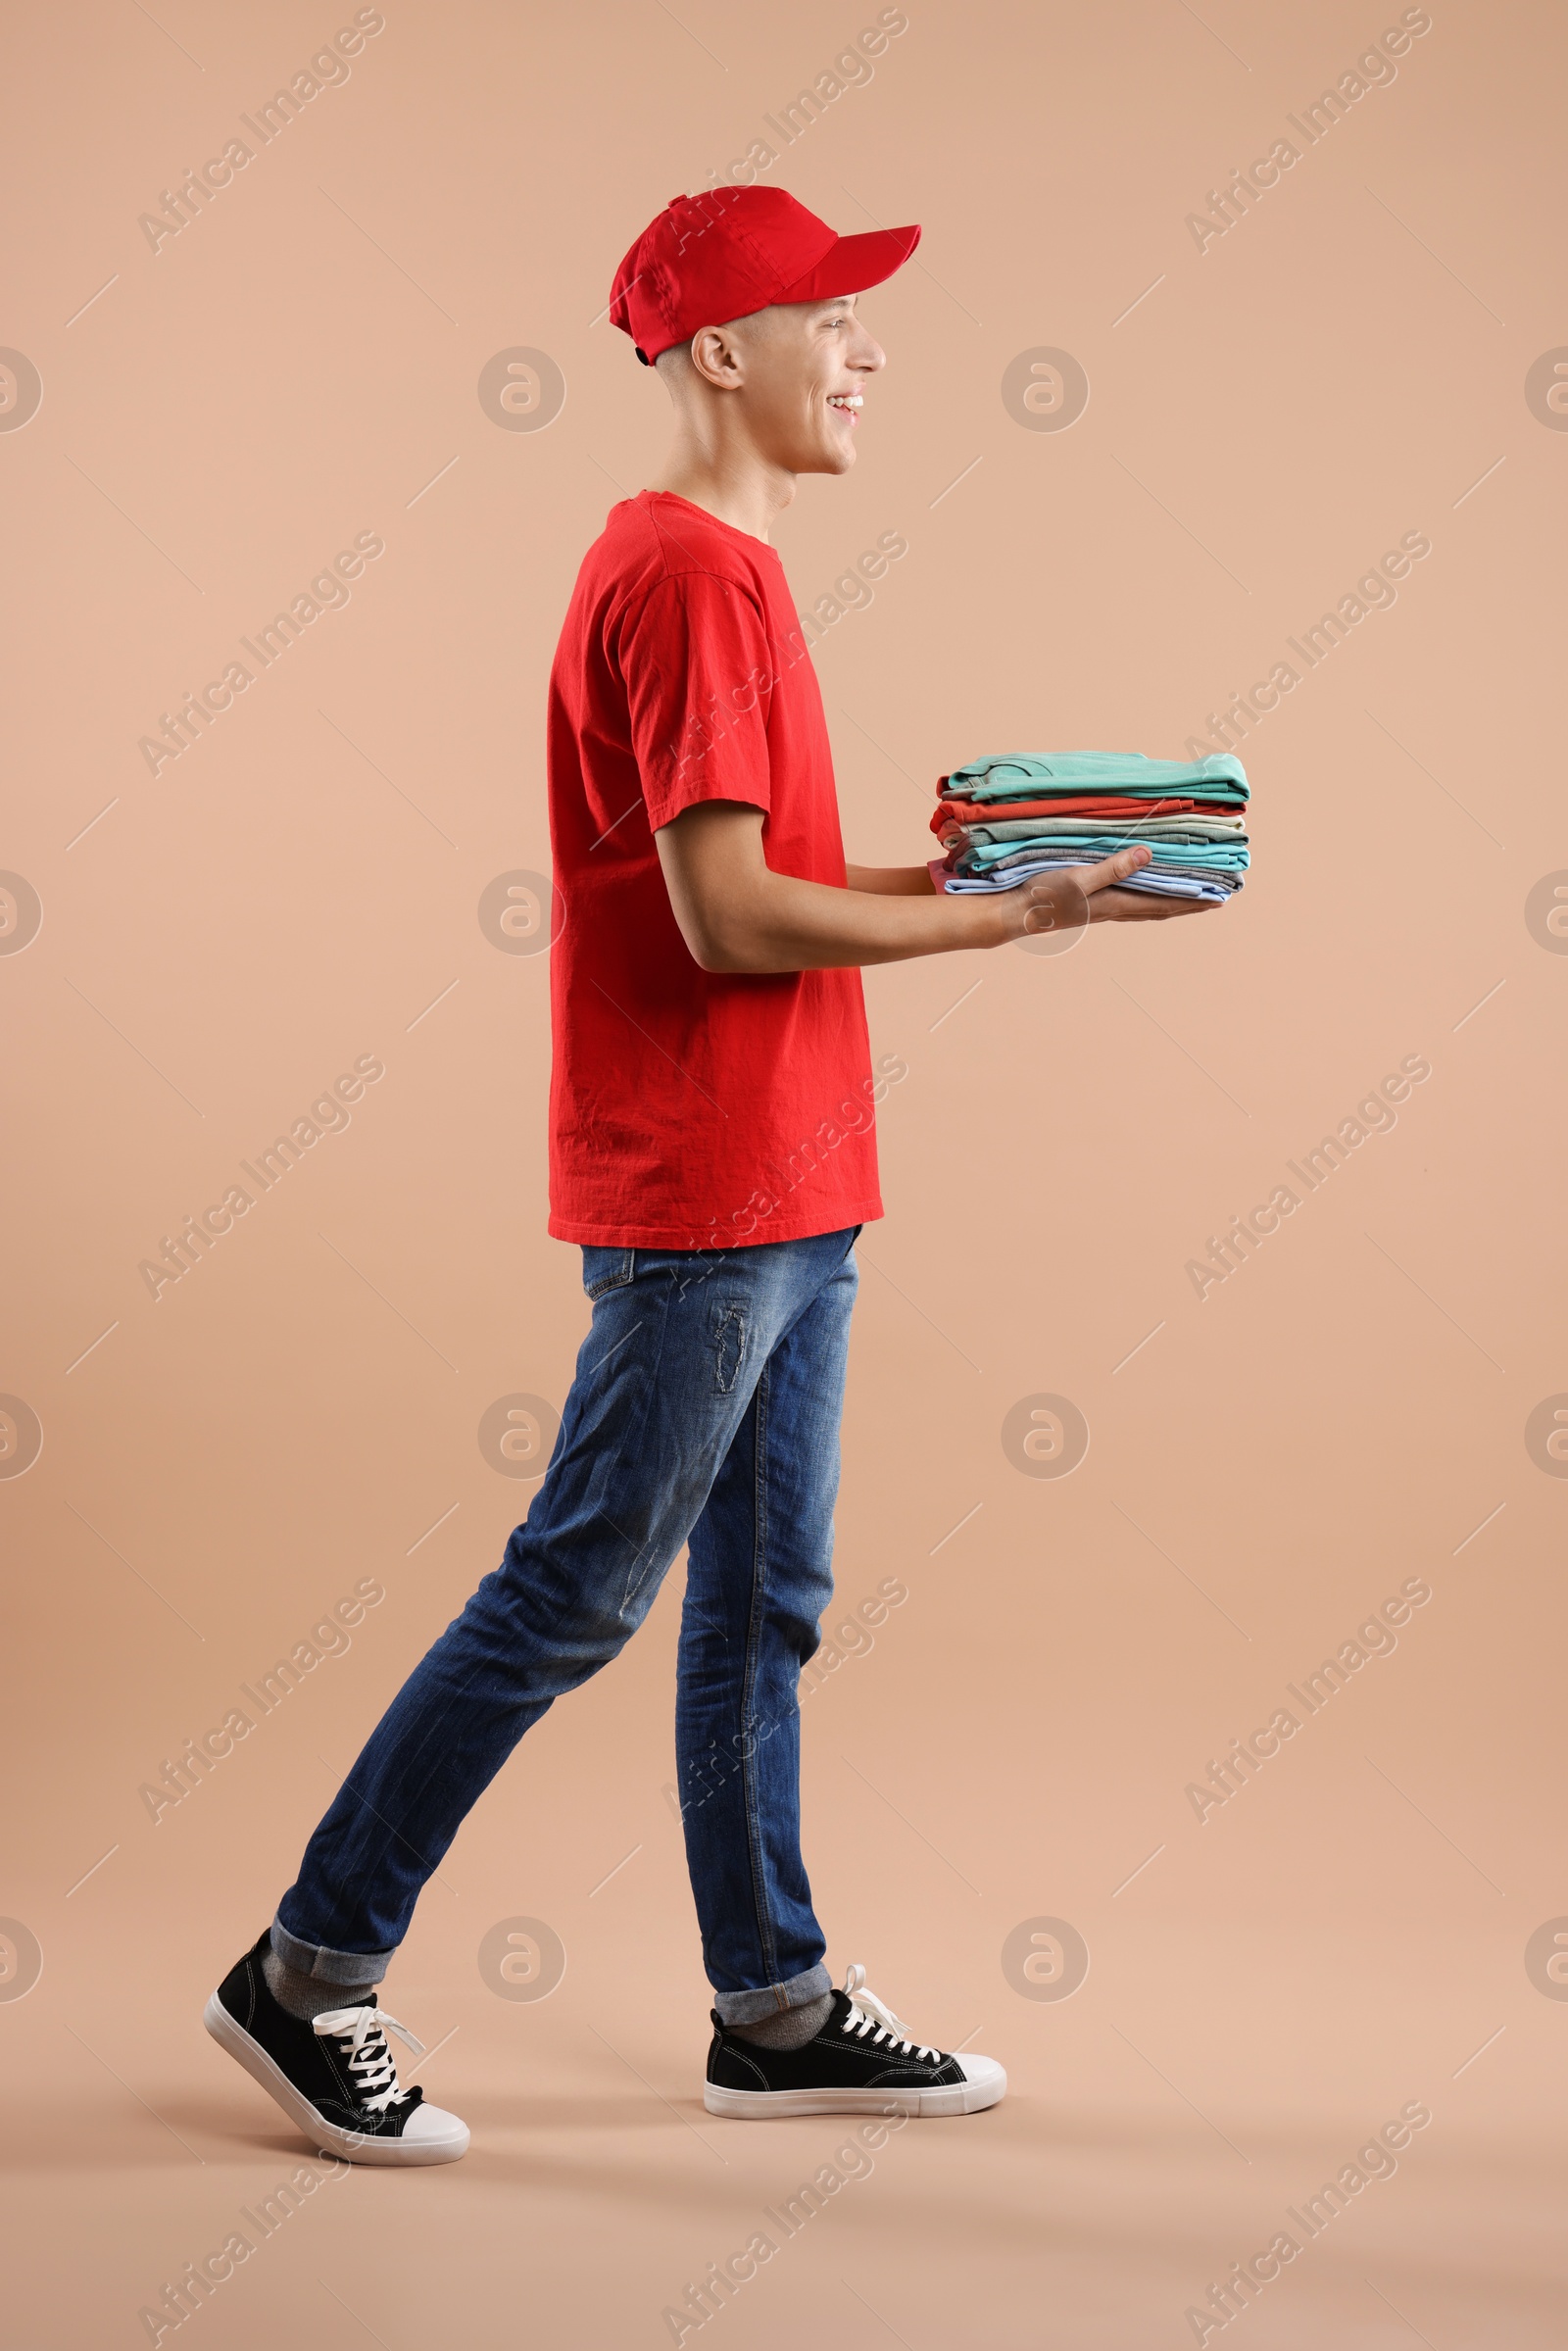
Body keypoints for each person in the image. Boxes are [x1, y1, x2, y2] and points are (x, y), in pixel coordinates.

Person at [204, 186, 1210, 2167]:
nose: (868, 350)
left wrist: (1007, 880)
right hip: (706, 1196)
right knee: (579, 1586)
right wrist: (1007, 938)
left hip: (796, 1180)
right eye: (831, 315)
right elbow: (730, 917)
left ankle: (770, 2004)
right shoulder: (684, 580)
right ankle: (307, 1972)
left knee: (763, 1603)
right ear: (720, 352)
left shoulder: (716, 569)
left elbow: (774, 887)